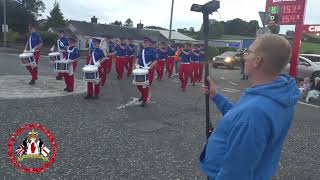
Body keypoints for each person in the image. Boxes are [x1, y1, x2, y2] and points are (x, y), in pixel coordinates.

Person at [200, 34, 301, 180]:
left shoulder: (255, 112)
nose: (245, 57)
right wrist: (216, 96)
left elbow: (235, 174)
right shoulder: (275, 93)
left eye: (248, 52)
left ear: (257, 61)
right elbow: (238, 117)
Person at [136, 37, 157, 107]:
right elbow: (137, 58)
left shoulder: (152, 50)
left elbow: (155, 60)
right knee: (138, 84)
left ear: (149, 43)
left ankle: (144, 99)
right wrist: (136, 64)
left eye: (146, 42)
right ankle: (143, 95)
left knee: (145, 85)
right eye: (143, 42)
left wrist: (151, 66)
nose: (144, 43)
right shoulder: (141, 50)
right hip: (140, 69)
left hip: (147, 69)